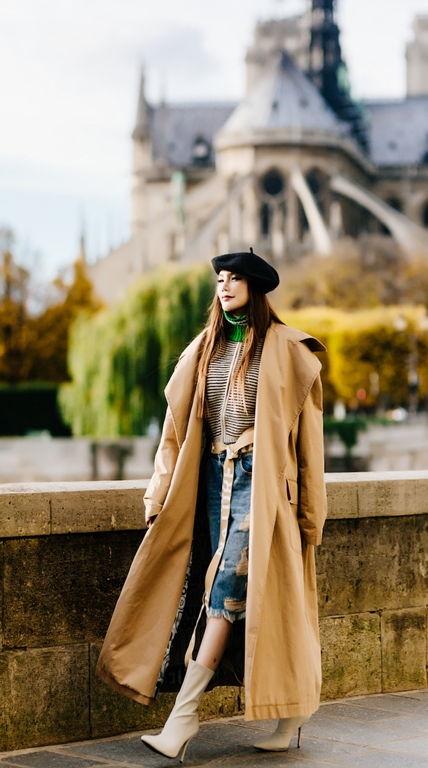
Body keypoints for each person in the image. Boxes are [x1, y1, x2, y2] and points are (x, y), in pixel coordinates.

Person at [96, 249, 327, 762]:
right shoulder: (204, 348)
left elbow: (310, 447)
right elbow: (174, 434)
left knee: (224, 589)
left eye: (235, 279)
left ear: (256, 288)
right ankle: (292, 715)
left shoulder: (289, 350)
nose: (224, 287)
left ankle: (184, 718)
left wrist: (311, 515)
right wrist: (157, 493)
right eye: (220, 279)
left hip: (262, 486)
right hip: (211, 481)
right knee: (220, 586)